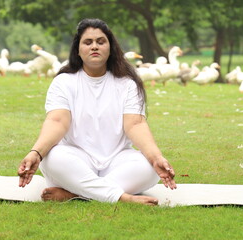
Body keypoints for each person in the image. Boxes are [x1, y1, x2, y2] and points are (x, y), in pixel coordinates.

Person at [17, 18, 176, 206]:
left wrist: (156, 157)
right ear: (78, 49)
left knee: (149, 168)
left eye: (101, 42)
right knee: (51, 158)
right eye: (88, 42)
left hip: (117, 160)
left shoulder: (127, 84)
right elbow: (57, 121)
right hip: (76, 159)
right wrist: (36, 152)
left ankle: (77, 194)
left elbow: (135, 124)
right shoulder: (64, 82)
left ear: (110, 48)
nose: (94, 46)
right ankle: (122, 198)